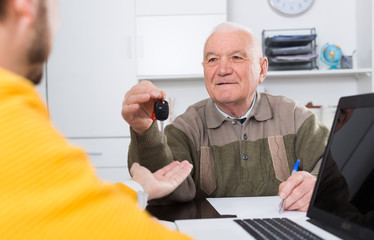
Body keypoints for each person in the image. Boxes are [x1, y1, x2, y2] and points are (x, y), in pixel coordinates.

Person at [0, 0, 193, 239]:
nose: (57, 27)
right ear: (25, 5)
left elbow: (58, 207)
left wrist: (138, 188)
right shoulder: (11, 121)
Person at [122, 21, 330, 211]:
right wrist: (144, 130)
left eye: (236, 57)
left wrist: (317, 185)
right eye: (212, 59)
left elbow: (337, 167)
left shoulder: (294, 116)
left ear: (262, 69)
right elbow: (162, 193)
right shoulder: (185, 127)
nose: (222, 69)